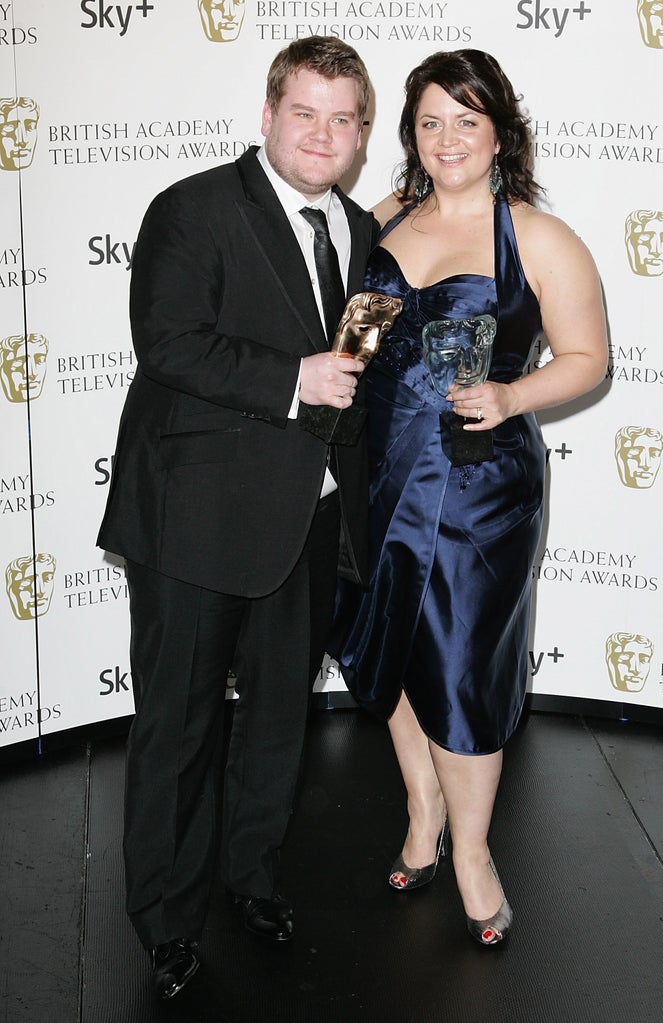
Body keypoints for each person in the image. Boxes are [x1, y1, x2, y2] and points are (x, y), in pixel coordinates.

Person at [97, 36, 375, 999]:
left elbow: (354, 366)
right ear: (268, 114)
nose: (323, 133)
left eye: (342, 119)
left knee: (276, 726)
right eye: (306, 112)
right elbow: (167, 342)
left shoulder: (357, 231)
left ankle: (250, 879)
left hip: (305, 519)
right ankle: (165, 922)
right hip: (193, 520)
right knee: (176, 728)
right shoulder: (192, 208)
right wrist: (291, 381)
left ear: (359, 133)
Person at [331, 49, 608, 946]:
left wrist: (512, 394)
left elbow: (587, 357)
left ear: (500, 133)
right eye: (429, 121)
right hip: (377, 474)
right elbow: (352, 345)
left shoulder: (534, 236)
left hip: (478, 488)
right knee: (391, 653)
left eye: (467, 120)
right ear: (409, 133)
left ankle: (477, 853)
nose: (447, 139)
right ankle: (421, 812)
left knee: (461, 670)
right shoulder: (378, 220)